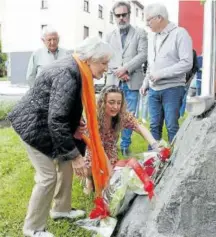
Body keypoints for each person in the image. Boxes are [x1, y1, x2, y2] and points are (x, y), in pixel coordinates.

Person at [8, 37, 113, 237]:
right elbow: (56, 120)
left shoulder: (77, 67)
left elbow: (65, 107)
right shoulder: (69, 72)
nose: (106, 68)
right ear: (90, 59)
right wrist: (75, 156)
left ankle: (60, 209)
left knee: (64, 165)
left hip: (46, 124)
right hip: (33, 128)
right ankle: (33, 228)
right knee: (48, 177)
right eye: (104, 63)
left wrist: (75, 123)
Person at [83, 85, 159, 193]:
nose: (116, 107)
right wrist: (110, 175)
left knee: (113, 172)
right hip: (94, 149)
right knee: (91, 169)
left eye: (119, 103)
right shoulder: (94, 118)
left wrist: (154, 144)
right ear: (102, 102)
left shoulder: (122, 115)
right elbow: (98, 148)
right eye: (111, 102)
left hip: (110, 150)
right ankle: (89, 179)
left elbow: (139, 126)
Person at [140, 3, 192, 145]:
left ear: (159, 18)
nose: (146, 24)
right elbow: (152, 63)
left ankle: (174, 161)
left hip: (173, 89)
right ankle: (153, 161)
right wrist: (145, 83)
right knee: (154, 126)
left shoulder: (180, 33)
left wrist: (161, 74)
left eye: (148, 20)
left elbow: (187, 63)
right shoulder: (152, 37)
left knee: (172, 126)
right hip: (153, 89)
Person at [105, 1, 148, 156]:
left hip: (132, 81)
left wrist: (125, 68)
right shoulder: (109, 36)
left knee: (128, 116)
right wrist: (118, 71)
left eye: (124, 14)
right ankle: (110, 146)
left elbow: (143, 54)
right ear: (114, 17)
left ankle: (125, 146)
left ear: (129, 15)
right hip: (114, 83)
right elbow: (105, 57)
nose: (121, 18)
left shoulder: (140, 33)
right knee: (111, 116)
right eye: (118, 15)